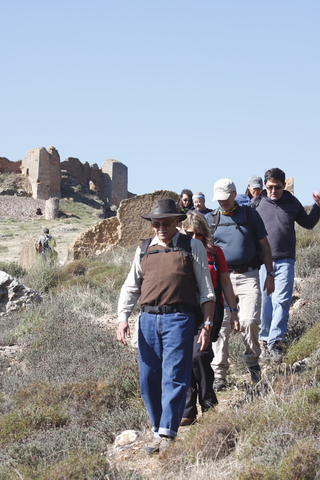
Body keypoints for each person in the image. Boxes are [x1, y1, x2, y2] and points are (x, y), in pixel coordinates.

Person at [116, 199, 215, 454]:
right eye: (156, 223)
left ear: (178, 222)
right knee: (148, 379)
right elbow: (131, 285)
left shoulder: (192, 246)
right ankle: (157, 427)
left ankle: (167, 434)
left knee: (175, 376)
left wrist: (206, 323)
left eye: (166, 223)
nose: (160, 227)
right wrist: (122, 317)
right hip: (147, 319)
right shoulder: (144, 250)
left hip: (179, 319)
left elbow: (206, 290)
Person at [206, 179, 274, 390]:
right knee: (222, 327)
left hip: (248, 275)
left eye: (226, 198)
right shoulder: (211, 219)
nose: (223, 202)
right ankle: (219, 375)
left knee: (250, 320)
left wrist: (270, 273)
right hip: (222, 278)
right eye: (219, 199)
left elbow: (264, 244)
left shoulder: (249, 215)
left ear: (234, 194)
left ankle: (253, 363)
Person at [180, 211, 239, 425]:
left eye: (199, 235)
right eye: (190, 234)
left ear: (205, 235)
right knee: (185, 357)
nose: (195, 239)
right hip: (185, 311)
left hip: (211, 309)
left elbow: (225, 283)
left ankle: (208, 403)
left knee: (199, 355)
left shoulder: (215, 254)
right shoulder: (179, 253)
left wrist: (233, 311)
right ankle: (189, 408)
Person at [255, 168, 320, 362]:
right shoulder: (257, 204)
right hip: (262, 262)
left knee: (281, 300)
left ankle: (276, 340)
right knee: (266, 303)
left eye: (277, 187)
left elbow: (308, 224)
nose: (273, 191)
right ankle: (265, 339)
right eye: (270, 187)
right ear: (265, 186)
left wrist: (317, 205)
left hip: (285, 260)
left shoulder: (292, 202)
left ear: (284, 186)